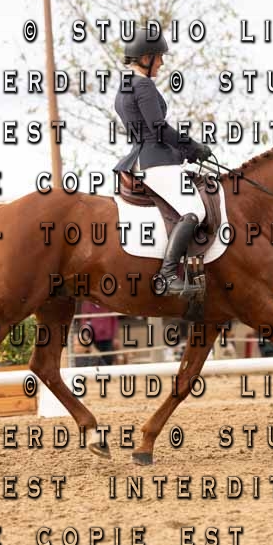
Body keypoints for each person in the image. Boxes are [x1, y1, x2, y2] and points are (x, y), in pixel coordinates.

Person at [112, 27, 213, 296]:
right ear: (146, 58)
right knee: (195, 210)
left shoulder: (124, 86)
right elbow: (158, 128)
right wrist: (192, 146)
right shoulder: (143, 85)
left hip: (142, 158)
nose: (162, 63)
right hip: (155, 162)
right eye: (159, 57)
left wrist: (183, 152)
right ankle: (168, 275)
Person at [79, 300, 119, 367]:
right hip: (93, 338)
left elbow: (114, 321)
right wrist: (90, 344)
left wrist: (115, 337)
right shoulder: (87, 304)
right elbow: (84, 321)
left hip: (107, 338)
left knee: (108, 359)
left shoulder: (108, 303)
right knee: (96, 360)